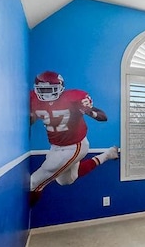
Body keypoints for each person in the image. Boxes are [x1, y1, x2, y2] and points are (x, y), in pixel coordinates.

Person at [29, 70, 119, 206]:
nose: (46, 93)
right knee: (66, 180)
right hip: (55, 145)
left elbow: (103, 117)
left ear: (60, 88)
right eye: (42, 90)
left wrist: (89, 111)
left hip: (75, 145)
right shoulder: (32, 98)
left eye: (50, 89)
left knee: (35, 181)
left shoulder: (74, 98)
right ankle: (107, 155)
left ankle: (24, 220)